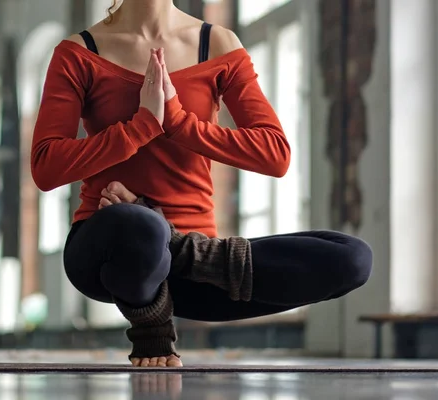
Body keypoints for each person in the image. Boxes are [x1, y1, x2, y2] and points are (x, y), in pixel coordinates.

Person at [30, 0, 373, 368]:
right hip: (110, 255)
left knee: (352, 258)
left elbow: (274, 154)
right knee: (138, 225)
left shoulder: (218, 43)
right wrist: (141, 126)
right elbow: (46, 168)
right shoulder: (79, 53)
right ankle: (152, 320)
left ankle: (173, 243)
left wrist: (178, 123)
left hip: (198, 266)